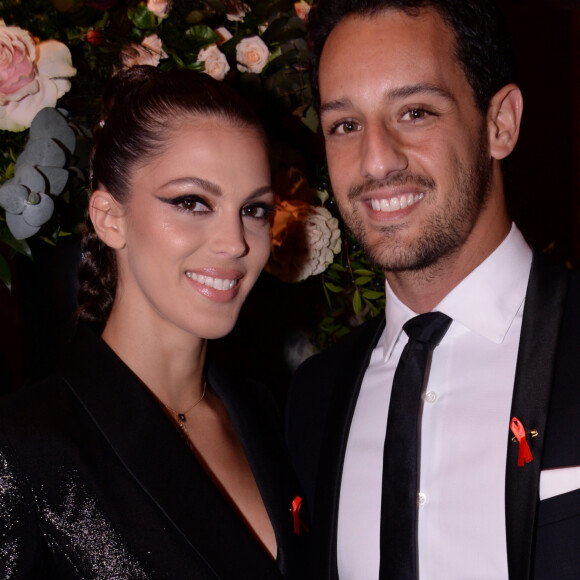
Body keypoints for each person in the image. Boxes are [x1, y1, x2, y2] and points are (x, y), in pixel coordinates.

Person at [286, 1, 580, 579]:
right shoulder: (313, 400)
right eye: (345, 125)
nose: (375, 161)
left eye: (415, 112)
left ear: (500, 123)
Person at [0, 66, 310, 578]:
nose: (235, 242)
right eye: (192, 202)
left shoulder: (267, 413)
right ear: (109, 218)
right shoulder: (24, 447)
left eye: (253, 209)